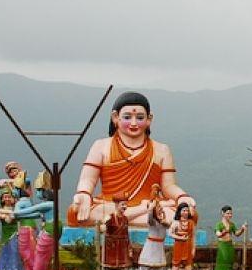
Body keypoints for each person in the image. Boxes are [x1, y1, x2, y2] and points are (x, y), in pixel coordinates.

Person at [71, 92, 196, 230]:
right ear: (115, 117)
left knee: (188, 213)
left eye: (140, 117)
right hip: (111, 204)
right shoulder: (101, 146)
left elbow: (168, 186)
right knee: (76, 211)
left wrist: (181, 197)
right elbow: (88, 179)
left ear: (149, 119)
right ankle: (142, 213)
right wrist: (83, 193)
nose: (134, 123)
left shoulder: (161, 150)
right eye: (127, 117)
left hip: (150, 203)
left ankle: (116, 220)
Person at [131, 193, 173, 270]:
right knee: (146, 266)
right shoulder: (152, 221)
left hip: (159, 246)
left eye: (160, 207)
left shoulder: (163, 219)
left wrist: (162, 217)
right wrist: (152, 206)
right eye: (158, 207)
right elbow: (150, 216)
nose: (160, 208)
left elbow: (167, 225)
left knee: (159, 266)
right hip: (151, 245)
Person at [100, 199, 133, 270]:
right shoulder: (109, 217)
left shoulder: (125, 219)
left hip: (122, 250)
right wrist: (102, 227)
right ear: (116, 205)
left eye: (126, 204)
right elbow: (101, 227)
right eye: (122, 204)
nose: (124, 207)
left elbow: (127, 235)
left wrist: (129, 248)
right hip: (111, 249)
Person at [0, 190, 27, 270]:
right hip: (5, 234)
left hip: (14, 233)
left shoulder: (15, 209)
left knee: (15, 252)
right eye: (5, 197)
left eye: (9, 197)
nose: (7, 198)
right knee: (5, 252)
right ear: (2, 199)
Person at [211, 206, 246, 270]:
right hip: (222, 244)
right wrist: (223, 232)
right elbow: (218, 234)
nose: (230, 215)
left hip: (229, 243)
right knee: (223, 258)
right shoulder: (219, 224)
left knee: (230, 259)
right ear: (223, 213)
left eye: (231, 213)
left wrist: (242, 229)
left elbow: (236, 233)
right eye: (228, 213)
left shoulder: (232, 224)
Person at [169, 203, 198, 270]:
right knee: (176, 262)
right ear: (179, 211)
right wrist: (179, 237)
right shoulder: (176, 222)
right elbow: (170, 234)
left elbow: (193, 236)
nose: (185, 212)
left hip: (188, 245)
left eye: (187, 210)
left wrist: (193, 248)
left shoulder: (191, 223)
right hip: (178, 244)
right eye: (183, 210)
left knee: (188, 263)